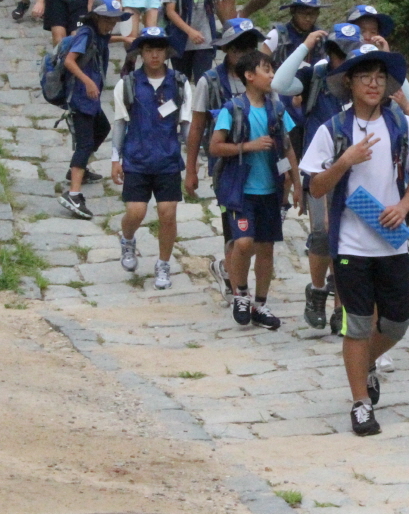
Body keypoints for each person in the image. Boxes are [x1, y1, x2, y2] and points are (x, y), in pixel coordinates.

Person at [302, 44, 409, 436]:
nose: (373, 84)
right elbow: (316, 186)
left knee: (397, 324)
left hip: (390, 241)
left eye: (379, 77)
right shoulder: (333, 129)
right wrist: (345, 161)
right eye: (364, 77)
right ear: (350, 83)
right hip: (351, 245)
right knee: (356, 326)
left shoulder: (399, 125)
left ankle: (364, 365)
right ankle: (360, 402)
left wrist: (406, 204)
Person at [270, 21, 362, 330]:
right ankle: (318, 290)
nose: (344, 59)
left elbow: (405, 101)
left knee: (347, 239)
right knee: (322, 233)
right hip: (320, 171)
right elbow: (280, 84)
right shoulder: (316, 76)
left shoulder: (366, 80)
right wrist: (305, 47)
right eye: (339, 52)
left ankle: (341, 306)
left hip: (359, 172)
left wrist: (382, 51)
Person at [209, 52, 300, 330]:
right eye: (266, 70)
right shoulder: (232, 109)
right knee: (244, 243)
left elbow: (287, 148)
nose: (273, 76)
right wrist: (247, 146)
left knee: (266, 248)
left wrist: (296, 184)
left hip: (270, 191)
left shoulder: (277, 110)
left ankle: (260, 303)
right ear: (249, 76)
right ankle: (240, 294)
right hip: (240, 190)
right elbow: (215, 147)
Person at [185, 18, 261, 299]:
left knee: (257, 232)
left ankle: (229, 270)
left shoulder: (262, 79)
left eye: (250, 47)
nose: (244, 53)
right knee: (235, 227)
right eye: (238, 48)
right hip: (226, 167)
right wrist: (191, 170)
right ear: (227, 50)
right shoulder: (210, 82)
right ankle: (234, 281)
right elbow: (196, 128)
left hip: (260, 166)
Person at [109, 26, 189, 290]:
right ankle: (128, 239)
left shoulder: (179, 83)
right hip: (137, 159)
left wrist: (193, 153)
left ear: (166, 52)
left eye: (159, 49)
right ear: (141, 52)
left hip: (167, 159)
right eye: (149, 49)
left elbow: (185, 123)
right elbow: (120, 123)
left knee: (168, 214)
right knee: (135, 212)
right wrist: (115, 158)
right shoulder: (128, 84)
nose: (154, 55)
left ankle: (163, 263)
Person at [58, 0, 128, 221]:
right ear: (96, 17)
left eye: (114, 21)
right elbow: (70, 61)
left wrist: (124, 38)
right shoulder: (86, 33)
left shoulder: (99, 33)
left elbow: (104, 40)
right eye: (107, 20)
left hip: (92, 100)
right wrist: (87, 81)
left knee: (103, 128)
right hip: (81, 97)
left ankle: (79, 169)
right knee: (85, 143)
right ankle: (74, 194)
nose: (110, 25)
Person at [267, 0, 328, 70]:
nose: (308, 19)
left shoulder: (322, 38)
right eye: (303, 13)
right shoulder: (277, 35)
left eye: (312, 14)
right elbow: (259, 65)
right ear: (292, 11)